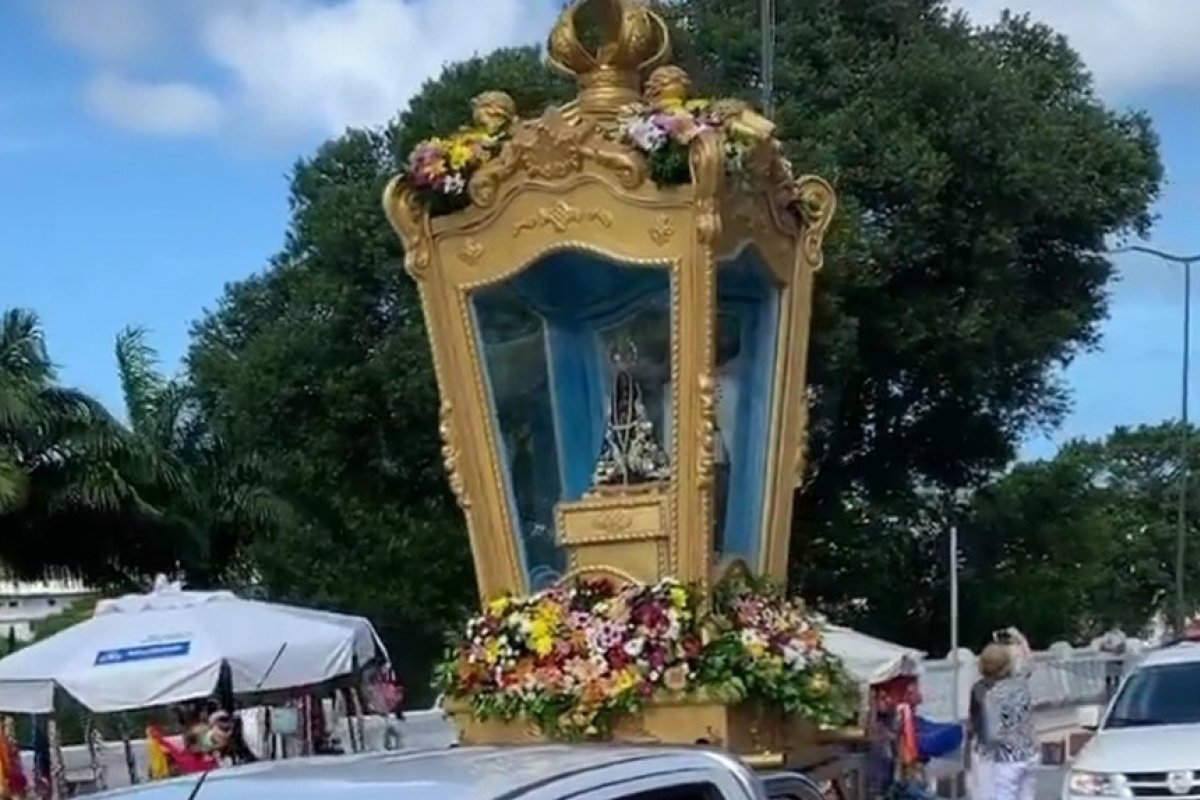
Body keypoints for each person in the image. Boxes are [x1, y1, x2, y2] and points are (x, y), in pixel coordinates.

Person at [977, 629, 1038, 800]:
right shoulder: (1020, 684)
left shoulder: (992, 696)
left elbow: (992, 734)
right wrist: (1020, 639)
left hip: (1007, 759)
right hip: (1029, 752)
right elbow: (1029, 662)